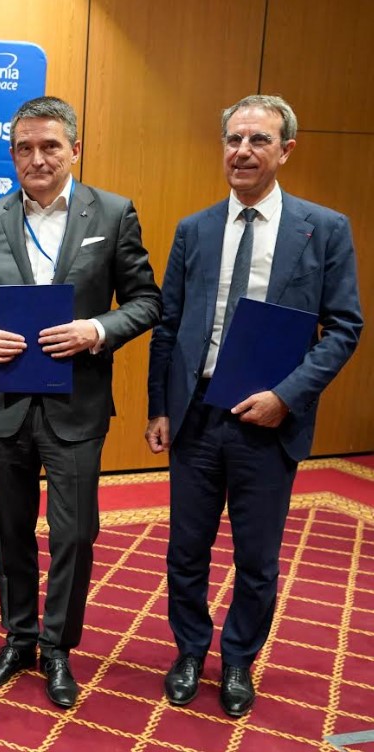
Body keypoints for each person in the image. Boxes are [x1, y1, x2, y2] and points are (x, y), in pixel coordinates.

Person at [146, 94, 362, 717]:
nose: (242, 152)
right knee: (186, 549)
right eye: (233, 139)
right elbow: (169, 325)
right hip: (197, 414)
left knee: (257, 557)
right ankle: (190, 650)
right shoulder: (195, 229)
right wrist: (160, 406)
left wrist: (286, 397)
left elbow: (344, 327)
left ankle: (239, 658)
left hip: (269, 421)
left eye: (258, 140)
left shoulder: (324, 229)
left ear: (285, 150)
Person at [0, 96, 161, 709]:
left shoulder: (113, 213)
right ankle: (19, 637)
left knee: (75, 535)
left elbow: (146, 301)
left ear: (75, 149)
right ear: (11, 154)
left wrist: (97, 329)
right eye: (24, 148)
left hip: (77, 403)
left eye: (50, 146)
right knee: (8, 532)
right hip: (5, 402)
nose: (37, 158)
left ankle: (57, 647)